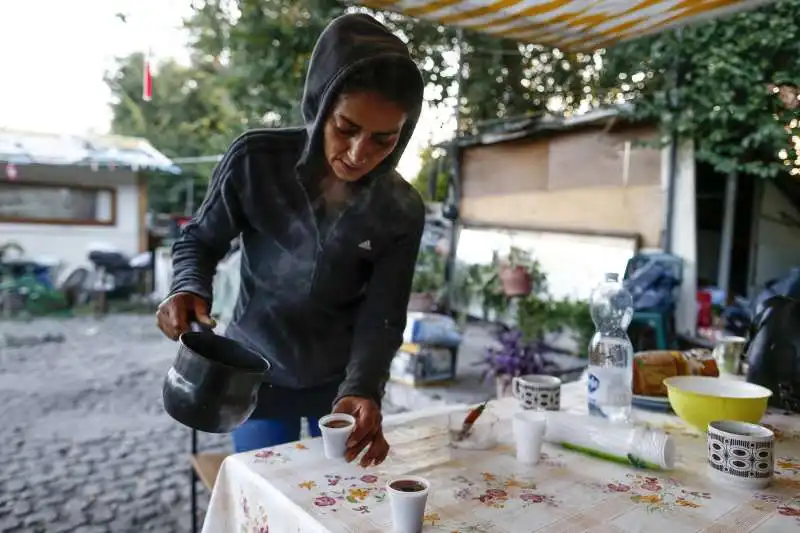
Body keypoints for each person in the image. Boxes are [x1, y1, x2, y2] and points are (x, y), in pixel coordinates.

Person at [156, 13, 425, 468]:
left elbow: (383, 315)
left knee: (335, 498)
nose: (359, 154)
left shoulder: (400, 208)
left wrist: (363, 388)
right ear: (320, 107)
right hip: (253, 373)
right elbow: (200, 240)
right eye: (346, 128)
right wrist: (186, 286)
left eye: (383, 141)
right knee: (266, 493)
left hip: (338, 383)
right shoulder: (256, 161)